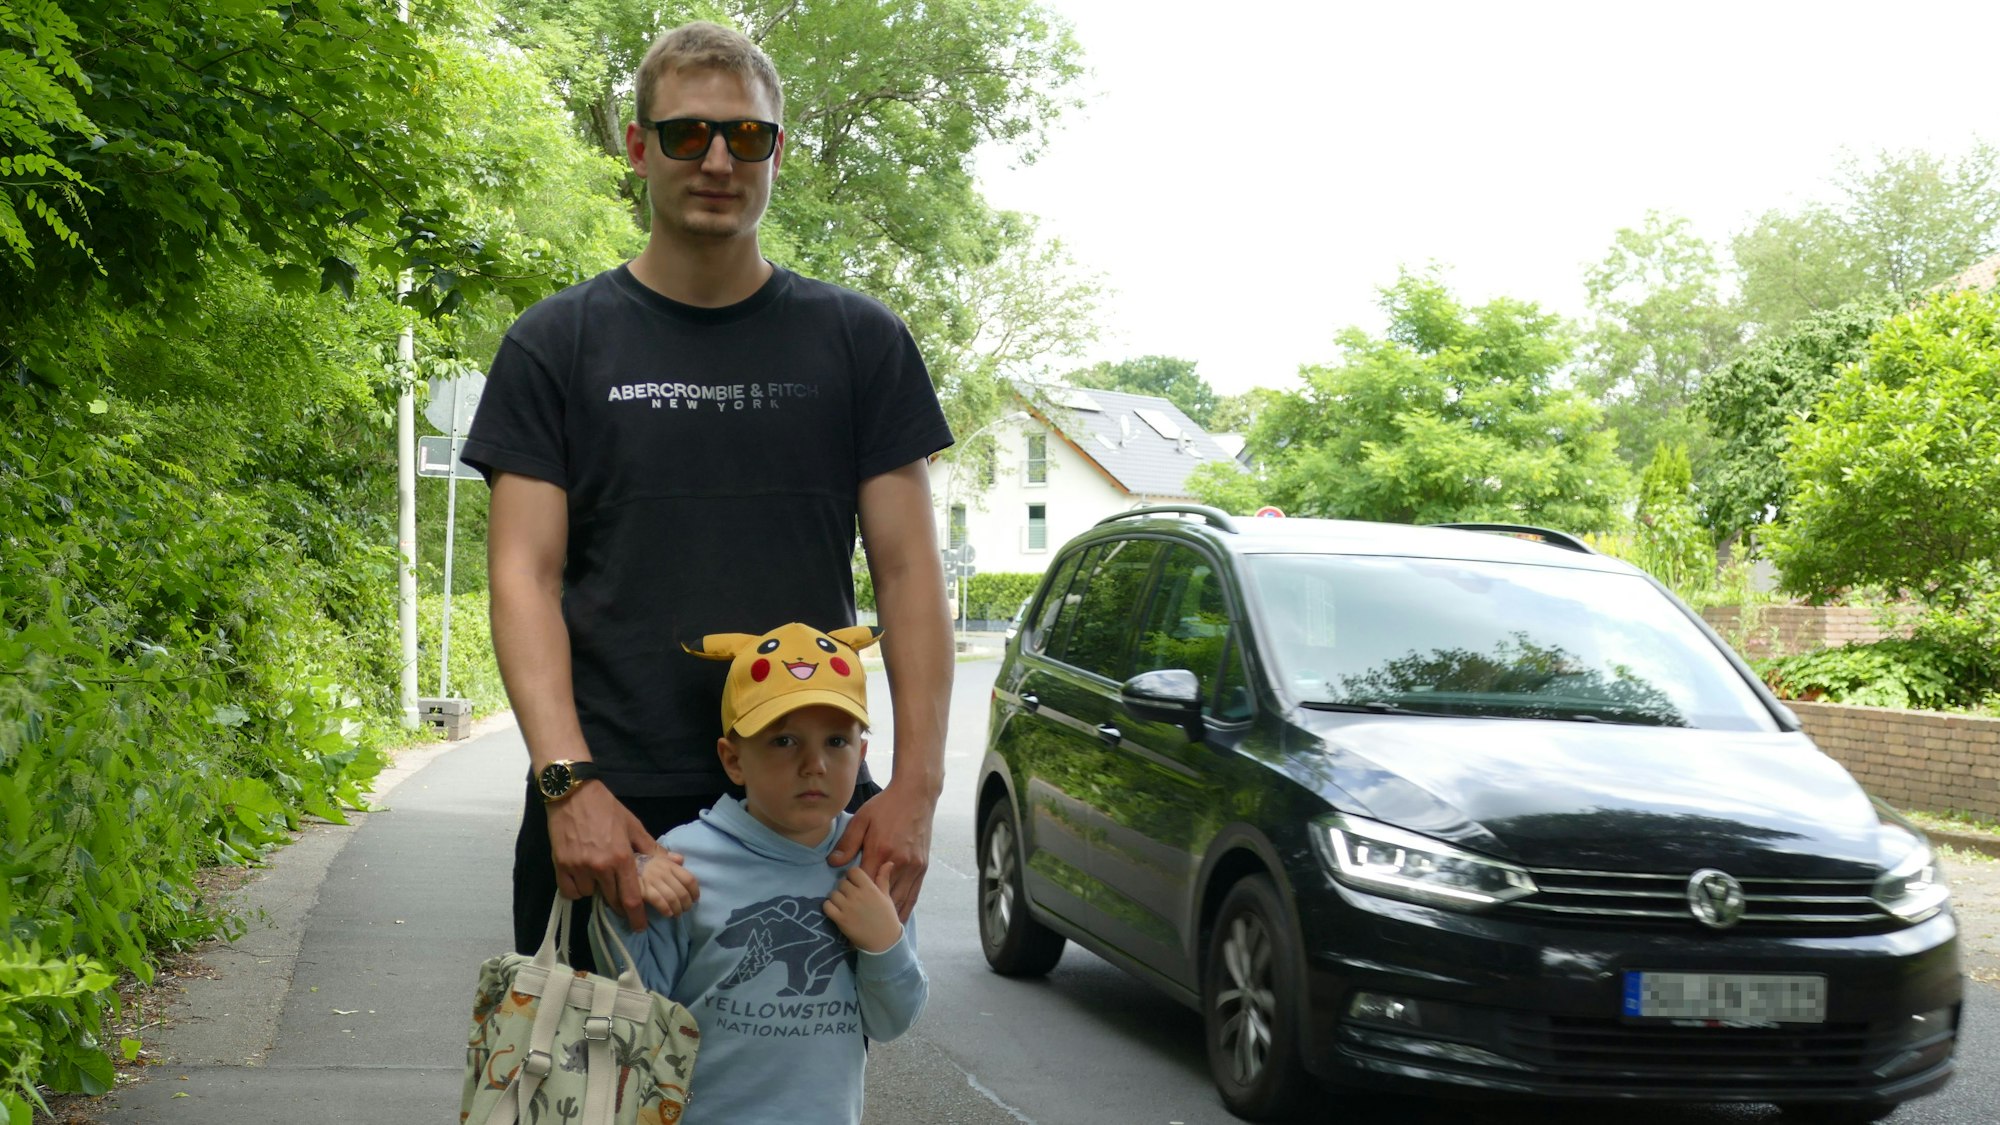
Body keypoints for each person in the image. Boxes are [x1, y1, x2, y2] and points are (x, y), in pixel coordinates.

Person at [460, 19, 955, 969]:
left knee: (786, 1108)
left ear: (778, 149)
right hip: (613, 813)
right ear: (639, 149)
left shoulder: (861, 344)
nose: (719, 159)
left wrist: (915, 791)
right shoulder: (554, 345)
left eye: (747, 135)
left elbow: (907, 572)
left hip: (806, 812)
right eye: (688, 134)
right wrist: (568, 787)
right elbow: (523, 576)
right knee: (592, 1100)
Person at [602, 622, 927, 1123]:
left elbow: (889, 1023)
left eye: (837, 740)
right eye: (784, 741)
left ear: (861, 754)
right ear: (733, 759)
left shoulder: (874, 862)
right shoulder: (684, 858)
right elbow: (637, 1006)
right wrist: (627, 893)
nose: (814, 763)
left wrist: (884, 945)